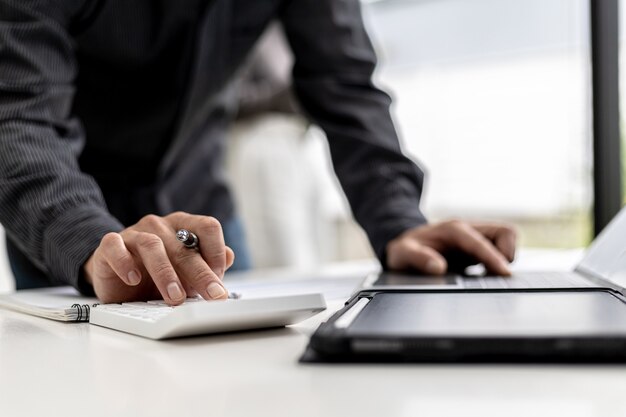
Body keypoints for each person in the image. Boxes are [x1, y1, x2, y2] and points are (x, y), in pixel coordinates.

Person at [0, 0, 516, 306]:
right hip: (64, 223)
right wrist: (87, 238)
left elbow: (344, 81)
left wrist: (399, 221)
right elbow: (16, 114)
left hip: (205, 220)